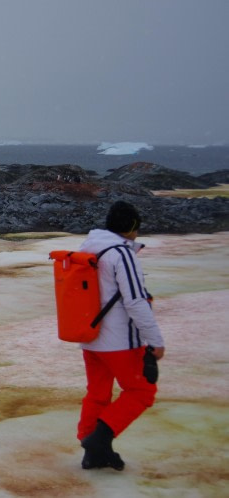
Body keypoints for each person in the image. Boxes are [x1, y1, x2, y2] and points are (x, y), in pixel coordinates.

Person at [76, 201, 165, 471]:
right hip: (119, 341)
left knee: (98, 394)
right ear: (131, 228)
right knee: (141, 391)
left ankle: (91, 453)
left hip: (90, 337)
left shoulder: (89, 248)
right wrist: (156, 341)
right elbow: (136, 301)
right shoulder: (121, 254)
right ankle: (99, 440)